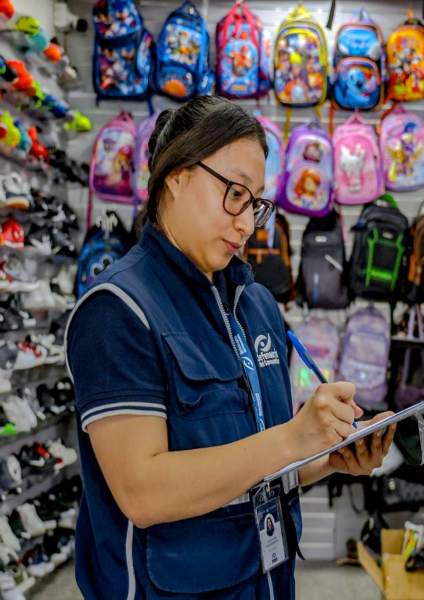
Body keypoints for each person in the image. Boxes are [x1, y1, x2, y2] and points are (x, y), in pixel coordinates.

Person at [66, 96, 396, 599]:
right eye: (235, 193)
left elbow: (259, 461)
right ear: (176, 175)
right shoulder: (117, 310)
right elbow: (143, 491)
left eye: (256, 202)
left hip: (265, 582)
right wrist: (292, 438)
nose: (247, 223)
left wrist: (326, 454)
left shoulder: (255, 304)